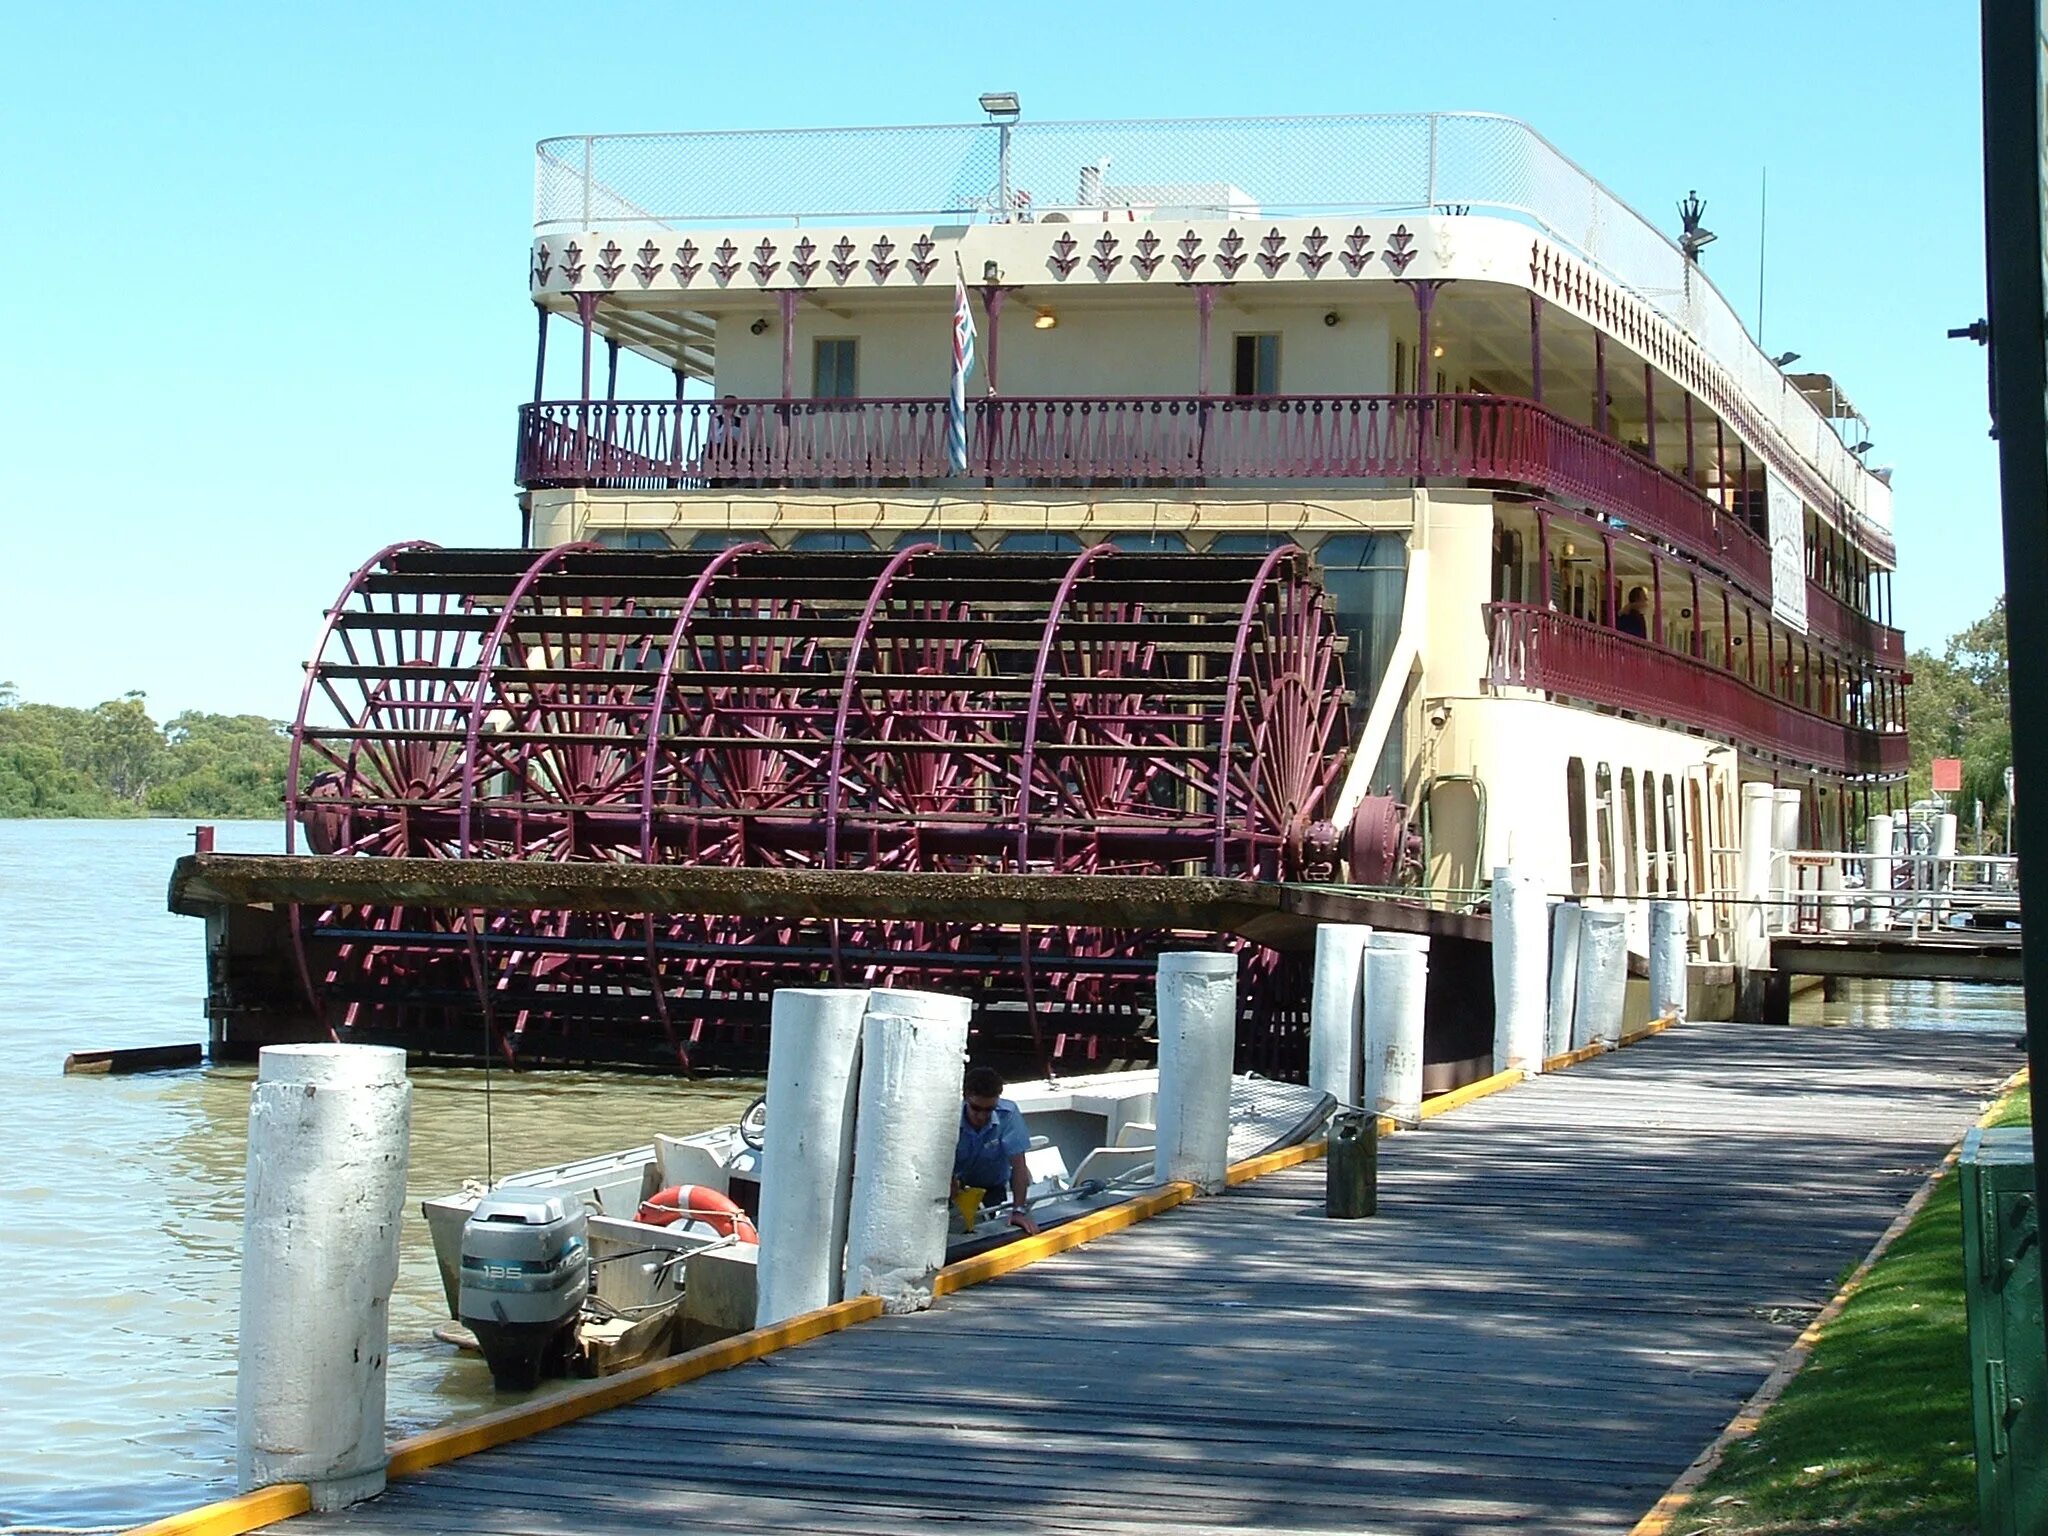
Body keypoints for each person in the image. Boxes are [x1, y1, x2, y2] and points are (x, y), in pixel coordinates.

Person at [953, 1066, 1039, 1234]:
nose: (982, 1116)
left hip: (992, 1189)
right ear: (965, 1098)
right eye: (976, 1108)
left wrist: (1019, 1211)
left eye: (989, 1109)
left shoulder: (1008, 1114)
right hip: (956, 1189)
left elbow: (1019, 1166)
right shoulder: (949, 1115)